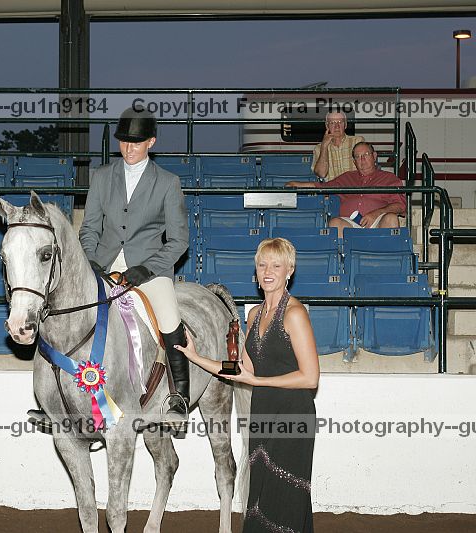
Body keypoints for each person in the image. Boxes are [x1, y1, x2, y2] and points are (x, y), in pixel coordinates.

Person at [175, 237, 318, 533]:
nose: (268, 271)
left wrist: (258, 381)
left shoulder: (295, 314)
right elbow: (241, 370)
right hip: (262, 413)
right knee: (261, 496)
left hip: (293, 415)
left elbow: (310, 377)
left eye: (276, 265)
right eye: (263, 265)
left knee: (286, 497)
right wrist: (196, 357)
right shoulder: (254, 314)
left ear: (289, 270)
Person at [79, 107, 190, 424]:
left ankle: (179, 395)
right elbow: (89, 229)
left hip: (149, 268)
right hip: (103, 263)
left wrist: (148, 268)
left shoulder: (167, 182)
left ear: (151, 142)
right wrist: (90, 260)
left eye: (137, 142)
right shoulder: (102, 177)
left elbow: (179, 240)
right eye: (124, 141)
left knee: (168, 316)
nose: (129, 148)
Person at [287, 141, 406, 238]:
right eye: (358, 157)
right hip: (351, 224)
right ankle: (343, 259)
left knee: (391, 218)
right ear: (354, 162)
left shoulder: (389, 178)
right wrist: (295, 185)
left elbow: (400, 206)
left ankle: (387, 258)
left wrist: (376, 213)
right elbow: (321, 187)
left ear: (374, 156)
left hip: (378, 222)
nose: (362, 159)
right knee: (335, 223)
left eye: (366, 154)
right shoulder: (347, 177)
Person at [311, 111, 363, 181]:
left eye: (340, 122)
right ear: (327, 126)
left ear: (345, 125)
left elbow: (366, 170)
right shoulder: (319, 148)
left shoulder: (357, 141)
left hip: (354, 186)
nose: (337, 126)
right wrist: (324, 146)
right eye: (332, 123)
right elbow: (321, 174)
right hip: (331, 187)